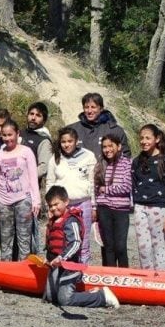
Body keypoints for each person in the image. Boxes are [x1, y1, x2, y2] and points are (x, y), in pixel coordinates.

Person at [42, 186, 119, 309]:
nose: (53, 208)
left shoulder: (70, 220)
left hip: (69, 266)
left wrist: (62, 258)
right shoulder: (54, 221)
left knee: (65, 300)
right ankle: (89, 293)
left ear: (66, 202)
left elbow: (76, 243)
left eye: (56, 204)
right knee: (51, 297)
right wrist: (48, 259)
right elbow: (51, 245)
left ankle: (102, 297)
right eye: (50, 206)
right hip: (56, 266)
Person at [0, 119, 40, 261]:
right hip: (4, 202)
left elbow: (33, 178)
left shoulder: (26, 152)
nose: (7, 138)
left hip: (23, 200)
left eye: (10, 135)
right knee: (5, 240)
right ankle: (6, 269)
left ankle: (25, 268)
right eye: (4, 135)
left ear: (17, 134)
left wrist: (36, 201)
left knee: (24, 238)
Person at [45, 127, 96, 264]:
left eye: (70, 141)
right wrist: (49, 208)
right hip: (62, 207)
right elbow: (50, 183)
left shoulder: (89, 156)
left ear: (76, 141)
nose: (67, 144)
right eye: (63, 142)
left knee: (83, 243)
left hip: (83, 203)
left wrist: (94, 207)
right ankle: (64, 273)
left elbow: (92, 182)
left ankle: (83, 276)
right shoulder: (54, 159)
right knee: (63, 241)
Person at [132, 124, 165, 271]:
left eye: (148, 138)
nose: (144, 141)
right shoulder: (137, 161)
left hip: (159, 208)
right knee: (143, 246)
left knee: (158, 244)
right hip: (140, 207)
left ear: (157, 139)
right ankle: (147, 279)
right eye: (141, 138)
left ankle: (160, 280)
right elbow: (134, 184)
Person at [94, 134, 132, 267]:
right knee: (108, 246)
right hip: (104, 209)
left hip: (121, 210)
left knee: (120, 247)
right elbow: (96, 188)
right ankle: (110, 277)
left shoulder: (127, 163)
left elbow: (126, 187)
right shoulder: (101, 164)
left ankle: (124, 276)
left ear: (119, 146)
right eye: (104, 147)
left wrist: (106, 189)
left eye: (111, 146)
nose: (107, 149)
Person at [68, 93, 130, 160]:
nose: (89, 111)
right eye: (86, 107)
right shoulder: (72, 130)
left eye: (93, 107)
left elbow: (125, 157)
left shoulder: (115, 130)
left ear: (101, 109)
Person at [21, 102, 53, 184]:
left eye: (38, 115)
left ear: (44, 120)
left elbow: (43, 168)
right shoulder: (19, 133)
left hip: (29, 189)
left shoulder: (44, 140)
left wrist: (23, 178)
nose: (33, 118)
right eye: (31, 114)